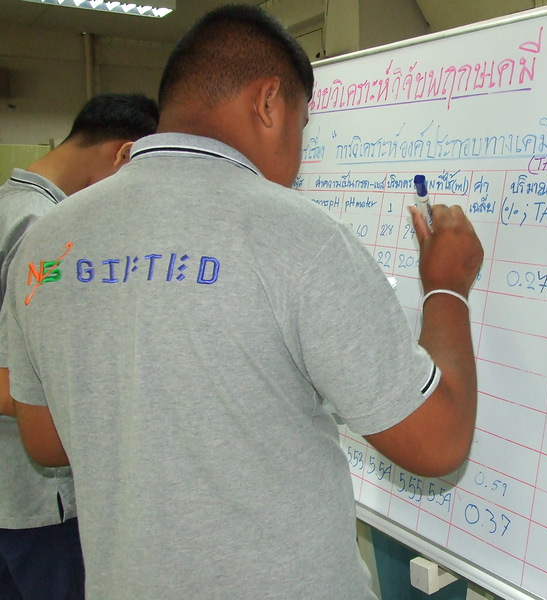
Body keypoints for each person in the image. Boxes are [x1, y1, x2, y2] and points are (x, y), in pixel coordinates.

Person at [4, 6, 482, 599]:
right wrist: (446, 286)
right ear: (269, 102)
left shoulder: (48, 241)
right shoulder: (299, 236)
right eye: (302, 127)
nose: (299, 157)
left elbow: (46, 441)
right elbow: (438, 441)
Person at [0, 93, 159, 600]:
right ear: (123, 154)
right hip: (40, 506)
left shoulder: (7, 204)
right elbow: (11, 382)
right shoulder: (46, 232)